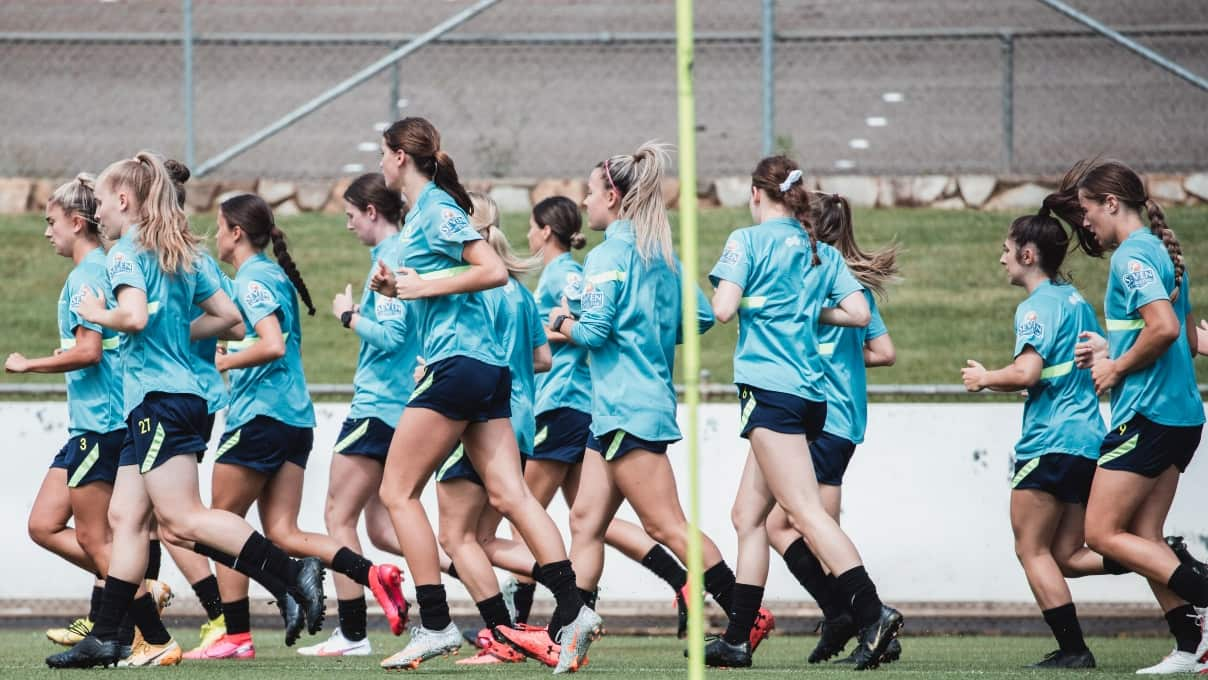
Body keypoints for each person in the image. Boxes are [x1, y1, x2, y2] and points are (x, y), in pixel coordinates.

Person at [46, 152, 325, 669]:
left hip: (159, 402)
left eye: (104, 201)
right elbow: (233, 320)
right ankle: (108, 636)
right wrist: (174, 330)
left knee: (183, 517)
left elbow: (129, 316)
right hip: (174, 400)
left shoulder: (125, 253)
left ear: (125, 201)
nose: (98, 211)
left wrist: (97, 313)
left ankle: (291, 573)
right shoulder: (186, 253)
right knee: (125, 518)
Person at [370, 117, 600, 673]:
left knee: (397, 492)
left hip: (457, 367)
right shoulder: (426, 216)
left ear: (401, 157)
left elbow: (492, 270)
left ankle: (435, 624)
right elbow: (451, 282)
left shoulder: (436, 211)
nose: (379, 162)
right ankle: (573, 607)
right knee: (511, 496)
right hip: (486, 371)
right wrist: (397, 288)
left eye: (383, 153)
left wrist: (423, 285)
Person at [707, 156, 901, 669]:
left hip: (772, 392)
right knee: (747, 517)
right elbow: (859, 314)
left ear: (755, 194)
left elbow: (722, 309)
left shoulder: (745, 242)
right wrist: (806, 309)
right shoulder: (817, 249)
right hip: (809, 396)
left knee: (804, 514)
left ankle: (873, 613)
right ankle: (737, 638)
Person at [1054, 159, 1208, 674]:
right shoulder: (1161, 251)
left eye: (1088, 211)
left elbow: (1163, 327)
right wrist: (1112, 344)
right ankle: (1193, 647)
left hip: (1148, 414)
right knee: (1145, 539)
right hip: (1181, 414)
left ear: (1112, 204)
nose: (1086, 223)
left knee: (1100, 534)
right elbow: (1185, 338)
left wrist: (1116, 366)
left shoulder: (1132, 257)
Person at [961, 206, 1116, 669]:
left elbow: (1028, 372)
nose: (1001, 258)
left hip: (1049, 442)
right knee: (1067, 555)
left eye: (1007, 250)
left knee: (1030, 549)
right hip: (1088, 439)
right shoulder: (1075, 301)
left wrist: (987, 377)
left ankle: (1074, 651)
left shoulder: (1034, 308)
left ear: (1028, 255)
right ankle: (1160, 559)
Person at [763, 191, 901, 666]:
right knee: (801, 524)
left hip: (820, 417)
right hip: (842, 420)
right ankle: (852, 618)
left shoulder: (811, 278)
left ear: (808, 227)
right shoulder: (850, 283)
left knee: (794, 525)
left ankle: (861, 618)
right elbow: (884, 352)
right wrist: (845, 361)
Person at [300, 172, 419, 657]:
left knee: (337, 515)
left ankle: (352, 633)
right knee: (382, 529)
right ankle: (458, 600)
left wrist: (348, 316)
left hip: (377, 408)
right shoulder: (400, 253)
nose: (347, 224)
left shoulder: (391, 257)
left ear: (372, 212)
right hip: (399, 409)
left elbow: (391, 337)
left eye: (351, 215)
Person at [6, 175, 123, 648]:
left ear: (77, 223)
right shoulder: (97, 269)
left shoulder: (87, 275)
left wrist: (30, 363)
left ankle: (137, 610)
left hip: (102, 423)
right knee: (43, 524)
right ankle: (131, 596)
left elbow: (89, 350)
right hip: (90, 424)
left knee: (99, 540)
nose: (46, 231)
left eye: (51, 221)